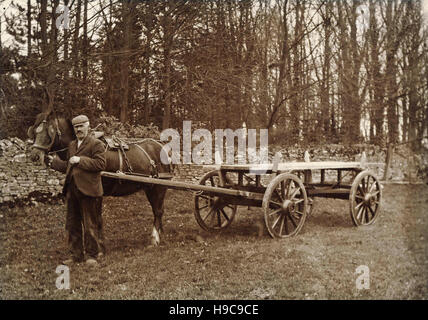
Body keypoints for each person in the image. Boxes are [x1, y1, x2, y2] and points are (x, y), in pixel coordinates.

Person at [47, 115, 106, 266]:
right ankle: (76, 255)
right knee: (72, 224)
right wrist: (53, 163)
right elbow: (69, 165)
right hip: (73, 190)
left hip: (89, 190)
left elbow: (100, 164)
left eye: (81, 126)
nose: (79, 129)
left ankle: (92, 256)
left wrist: (80, 160)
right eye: (76, 127)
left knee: (90, 224)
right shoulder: (72, 145)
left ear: (88, 126)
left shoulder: (96, 144)